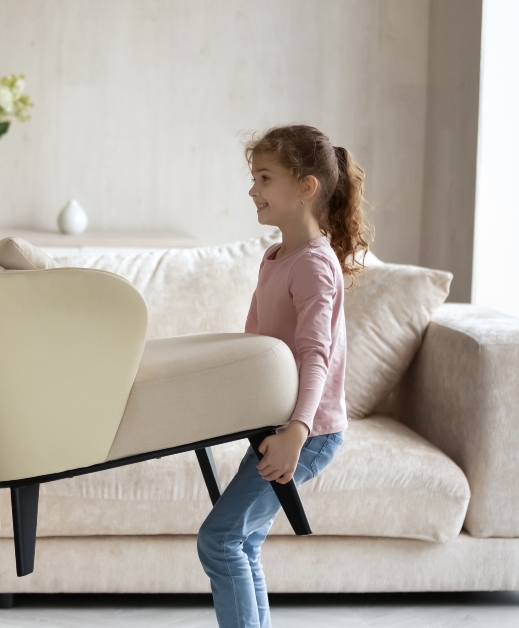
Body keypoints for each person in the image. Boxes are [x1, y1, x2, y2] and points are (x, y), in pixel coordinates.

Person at [197, 124, 369, 628]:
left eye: (265, 178)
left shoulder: (315, 266)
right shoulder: (275, 257)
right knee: (241, 541)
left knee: (220, 538)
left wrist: (297, 430)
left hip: (308, 432)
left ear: (305, 187)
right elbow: (259, 345)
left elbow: (317, 354)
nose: (253, 190)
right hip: (281, 424)